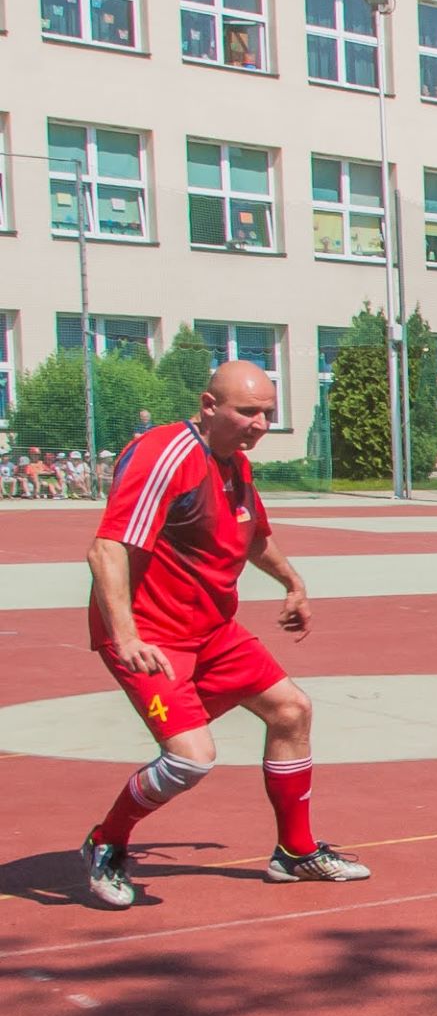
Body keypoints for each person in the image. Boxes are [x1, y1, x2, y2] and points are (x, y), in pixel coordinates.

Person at [79, 361, 368, 909]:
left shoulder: (234, 464)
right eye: (248, 412)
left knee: (291, 710)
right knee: (190, 759)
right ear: (209, 406)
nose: (259, 425)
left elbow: (252, 534)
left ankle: (294, 852)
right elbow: (107, 548)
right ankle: (106, 841)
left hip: (211, 630)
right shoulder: (165, 455)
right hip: (153, 635)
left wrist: (293, 582)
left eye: (267, 415)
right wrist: (127, 636)